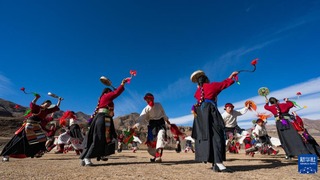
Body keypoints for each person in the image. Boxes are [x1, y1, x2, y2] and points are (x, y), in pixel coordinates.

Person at [190, 70, 238, 173]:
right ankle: (219, 164)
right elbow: (224, 84)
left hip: (201, 116)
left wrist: (199, 87)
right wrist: (231, 76)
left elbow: (200, 94)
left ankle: (214, 163)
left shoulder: (197, 92)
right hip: (210, 112)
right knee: (217, 136)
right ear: (206, 80)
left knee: (208, 137)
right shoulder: (211, 86)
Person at [80, 77, 128, 166]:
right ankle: (87, 158)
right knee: (99, 138)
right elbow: (116, 93)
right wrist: (122, 84)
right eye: (110, 92)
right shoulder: (106, 96)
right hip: (102, 119)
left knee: (104, 138)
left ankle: (93, 155)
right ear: (106, 92)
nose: (111, 94)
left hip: (103, 119)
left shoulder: (104, 100)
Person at [1, 94, 62, 162]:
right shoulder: (37, 108)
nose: (48, 105)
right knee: (20, 140)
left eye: (49, 105)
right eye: (47, 104)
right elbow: (32, 104)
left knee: (42, 138)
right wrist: (36, 98)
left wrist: (59, 100)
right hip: (30, 125)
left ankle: (36, 152)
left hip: (36, 126)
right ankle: (6, 154)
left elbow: (56, 108)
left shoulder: (46, 110)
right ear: (43, 103)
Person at [132, 93, 171, 163]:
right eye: (146, 99)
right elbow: (141, 118)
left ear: (152, 98)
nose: (147, 100)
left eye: (148, 99)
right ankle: (156, 155)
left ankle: (158, 153)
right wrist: (136, 125)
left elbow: (163, 114)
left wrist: (168, 121)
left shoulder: (158, 105)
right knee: (150, 146)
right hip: (152, 126)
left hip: (161, 123)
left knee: (161, 135)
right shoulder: (146, 109)